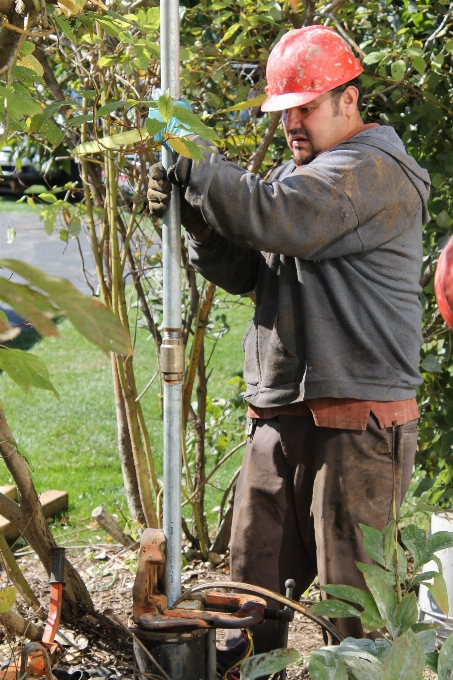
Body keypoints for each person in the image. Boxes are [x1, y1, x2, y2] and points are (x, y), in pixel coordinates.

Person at [148, 25, 430, 657]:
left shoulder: (373, 169)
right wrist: (199, 223)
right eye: (284, 112)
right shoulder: (300, 175)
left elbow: (279, 219)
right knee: (247, 599)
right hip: (280, 415)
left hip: (355, 426)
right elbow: (255, 270)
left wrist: (196, 164)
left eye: (305, 107)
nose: (292, 124)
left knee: (355, 610)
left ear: (348, 101)